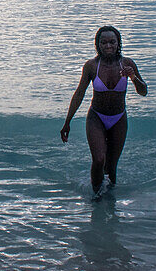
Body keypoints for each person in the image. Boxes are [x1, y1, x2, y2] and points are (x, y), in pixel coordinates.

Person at [60, 26, 147, 194]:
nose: (108, 46)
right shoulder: (92, 66)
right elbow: (79, 93)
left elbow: (143, 92)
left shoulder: (127, 64)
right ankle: (96, 199)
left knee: (111, 166)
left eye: (112, 42)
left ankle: (111, 201)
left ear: (118, 43)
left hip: (118, 118)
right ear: (97, 45)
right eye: (104, 42)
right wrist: (67, 123)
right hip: (96, 117)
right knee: (99, 160)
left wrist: (133, 77)